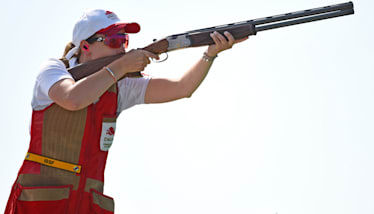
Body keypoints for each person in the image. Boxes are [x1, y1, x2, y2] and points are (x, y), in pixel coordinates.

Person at [4, 9, 248, 214]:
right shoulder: (54, 69)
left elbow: (182, 88)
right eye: (113, 41)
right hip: (39, 203)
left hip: (86, 204)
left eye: (125, 41)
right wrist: (121, 66)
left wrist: (210, 54)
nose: (122, 47)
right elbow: (73, 99)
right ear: (85, 46)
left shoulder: (120, 86)